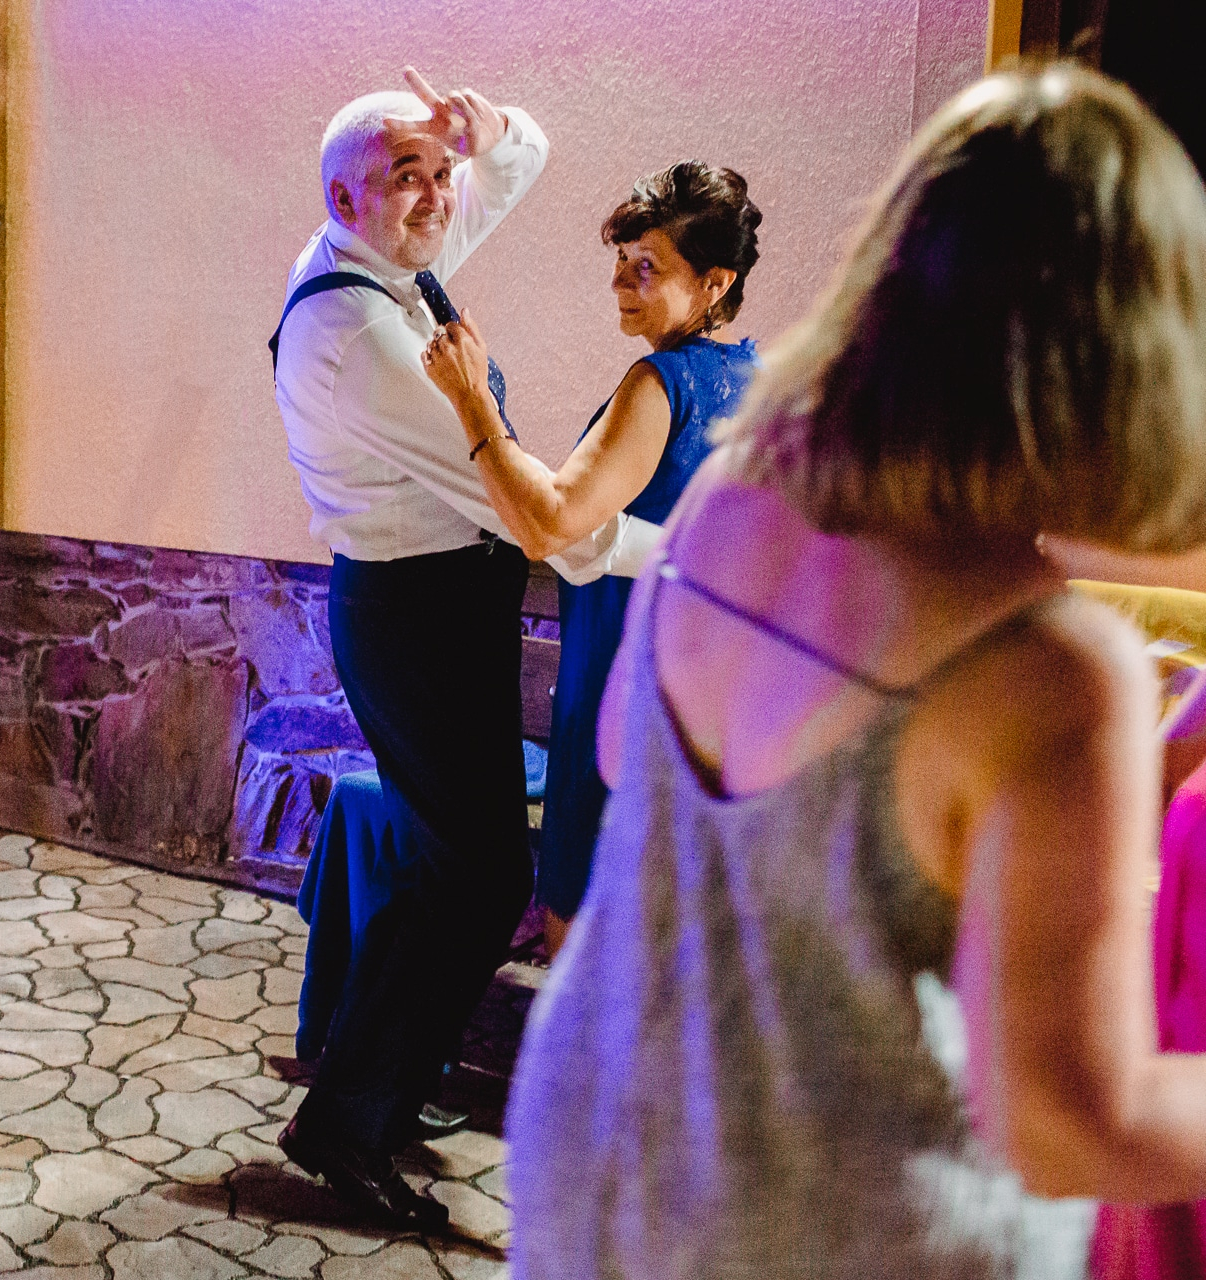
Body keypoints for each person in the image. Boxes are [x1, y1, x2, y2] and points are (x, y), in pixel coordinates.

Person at [508, 64, 1206, 1276]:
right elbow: (1065, 1123)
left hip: (606, 1146)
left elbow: (639, 755)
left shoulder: (734, 494)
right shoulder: (1051, 667)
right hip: (838, 1221)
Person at [269, 67, 656, 1228]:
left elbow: (515, 163)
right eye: (411, 176)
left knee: (454, 866)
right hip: (417, 617)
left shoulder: (379, 255)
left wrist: (480, 132)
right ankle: (348, 1119)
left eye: (443, 174)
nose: (440, 195)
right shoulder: (360, 333)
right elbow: (539, 518)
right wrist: (687, 550)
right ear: (345, 196)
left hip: (433, 605)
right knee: (484, 875)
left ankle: (375, 1084)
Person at [424, 160, 761, 959]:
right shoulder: (754, 376)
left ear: (714, 284)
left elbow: (547, 525)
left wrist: (471, 399)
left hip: (621, 676)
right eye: (620, 261)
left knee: (583, 931)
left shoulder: (660, 384)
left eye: (648, 267)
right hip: (700, 688)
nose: (620, 283)